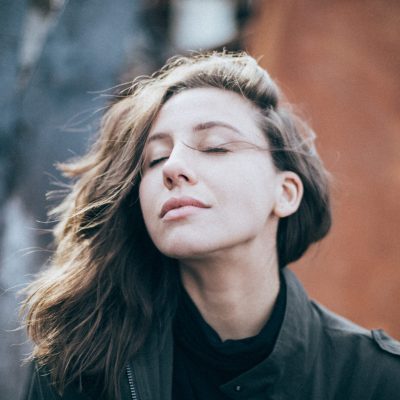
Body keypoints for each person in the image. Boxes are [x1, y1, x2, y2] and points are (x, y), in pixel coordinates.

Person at [22, 52, 400, 400]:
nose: (172, 167)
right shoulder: (74, 365)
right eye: (155, 159)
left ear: (285, 193)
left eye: (216, 146)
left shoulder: (376, 379)